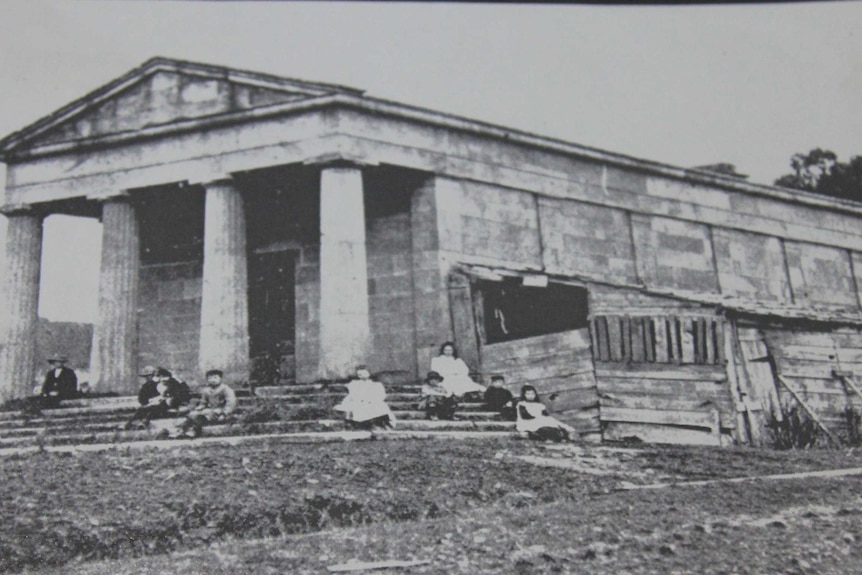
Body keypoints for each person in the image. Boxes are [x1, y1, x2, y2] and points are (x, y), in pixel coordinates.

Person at [122, 366, 190, 430]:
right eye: (159, 376)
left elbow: (180, 393)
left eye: (162, 376)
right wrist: (151, 400)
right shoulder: (150, 385)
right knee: (143, 409)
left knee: (153, 409)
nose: (161, 379)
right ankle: (130, 423)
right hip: (155, 404)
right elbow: (142, 399)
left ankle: (144, 422)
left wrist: (168, 398)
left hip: (166, 405)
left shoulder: (173, 384)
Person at [334, 365, 395, 430]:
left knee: (379, 407)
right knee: (355, 407)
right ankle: (357, 424)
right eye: (359, 374)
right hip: (359, 402)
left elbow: (381, 395)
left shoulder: (376, 385)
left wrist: (371, 400)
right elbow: (353, 395)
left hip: (372, 402)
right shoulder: (355, 384)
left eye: (364, 373)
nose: (361, 375)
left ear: (369, 373)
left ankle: (375, 423)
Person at [181, 369, 237, 438]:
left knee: (206, 416)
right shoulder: (206, 390)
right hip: (209, 409)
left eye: (215, 378)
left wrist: (224, 413)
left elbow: (230, 403)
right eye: (210, 378)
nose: (213, 380)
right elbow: (203, 402)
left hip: (220, 410)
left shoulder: (226, 389)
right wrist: (199, 408)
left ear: (220, 378)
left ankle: (194, 431)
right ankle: (184, 431)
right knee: (193, 414)